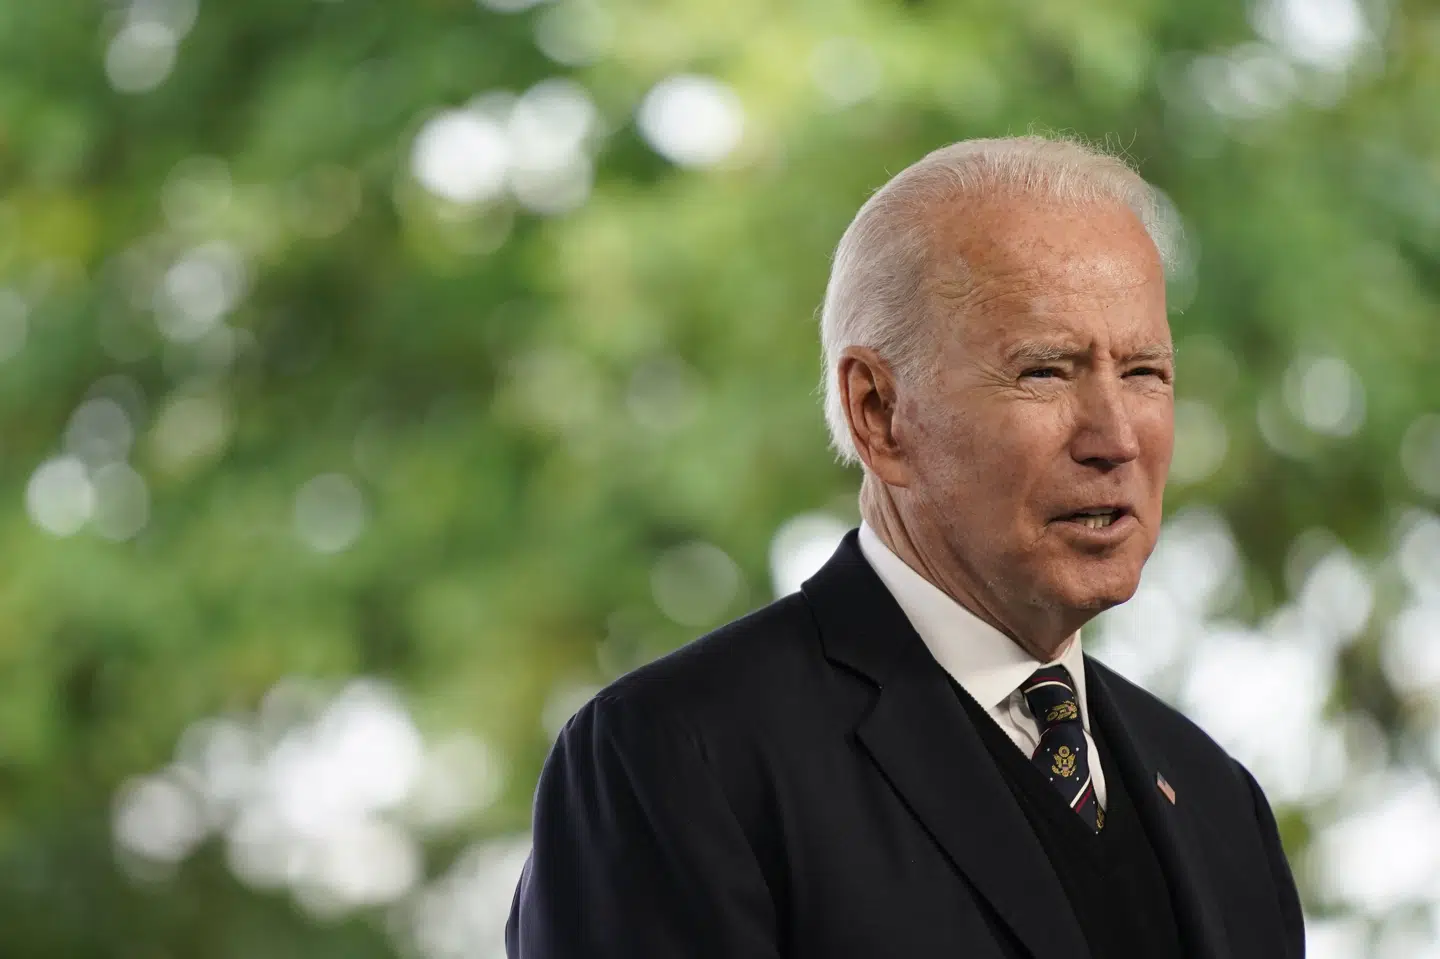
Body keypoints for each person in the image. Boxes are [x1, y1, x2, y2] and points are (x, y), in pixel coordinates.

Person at [505, 136, 1305, 958]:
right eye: (1045, 371)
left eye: (1144, 373)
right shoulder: (678, 761)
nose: (1114, 438)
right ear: (879, 412)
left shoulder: (1219, 804)